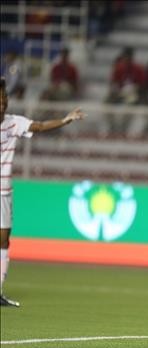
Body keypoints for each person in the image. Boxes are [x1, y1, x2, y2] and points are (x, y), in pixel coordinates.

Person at [0, 77, 85, 307]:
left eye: (4, 98)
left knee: (4, 240)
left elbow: (38, 126)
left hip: (3, 191)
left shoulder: (13, 122)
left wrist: (66, 120)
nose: (2, 103)